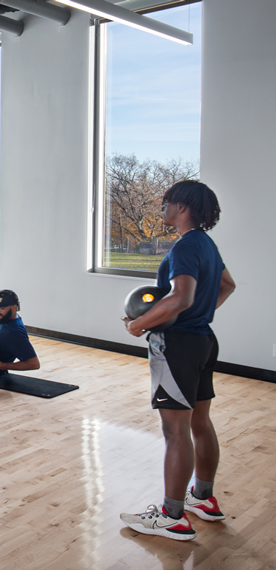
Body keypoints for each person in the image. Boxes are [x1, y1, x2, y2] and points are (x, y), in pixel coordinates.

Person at [119, 180, 235, 542]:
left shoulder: (185, 246)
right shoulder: (207, 244)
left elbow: (181, 297)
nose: (163, 208)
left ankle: (172, 516)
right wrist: (198, 315)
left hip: (178, 346)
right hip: (203, 340)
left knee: (175, 431)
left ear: (182, 206)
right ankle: (203, 498)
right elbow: (227, 285)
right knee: (200, 422)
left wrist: (139, 324)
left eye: (167, 202)